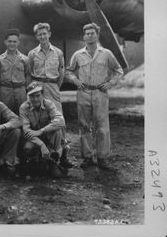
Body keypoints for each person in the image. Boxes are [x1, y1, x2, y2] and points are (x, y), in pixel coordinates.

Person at [65, 23, 123, 170]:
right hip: (83, 92)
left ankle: (103, 158)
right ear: (83, 36)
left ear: (97, 35)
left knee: (102, 126)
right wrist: (75, 80)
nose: (90, 36)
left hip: (100, 92)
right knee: (84, 125)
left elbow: (118, 70)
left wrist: (111, 83)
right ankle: (87, 157)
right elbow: (68, 71)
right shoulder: (78, 54)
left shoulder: (106, 53)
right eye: (87, 33)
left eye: (92, 33)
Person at [27, 22, 73, 167]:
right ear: (36, 36)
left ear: (49, 34)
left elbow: (61, 72)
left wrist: (54, 87)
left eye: (44, 33)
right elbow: (29, 74)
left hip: (52, 86)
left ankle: (63, 152)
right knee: (37, 116)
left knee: (58, 118)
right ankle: (37, 154)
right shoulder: (32, 53)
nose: (42, 36)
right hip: (37, 86)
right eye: (39, 34)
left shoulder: (58, 53)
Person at [19, 82, 68, 177]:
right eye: (32, 96)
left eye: (38, 96)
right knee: (27, 148)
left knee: (57, 130)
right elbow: (26, 131)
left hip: (48, 137)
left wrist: (41, 131)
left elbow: (60, 121)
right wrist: (41, 145)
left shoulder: (49, 104)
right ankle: (35, 160)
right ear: (28, 96)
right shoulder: (24, 108)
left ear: (42, 95)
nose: (35, 99)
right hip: (34, 140)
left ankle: (54, 160)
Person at [0, 28, 29, 114]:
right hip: (5, 91)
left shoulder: (25, 59)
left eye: (14, 41)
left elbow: (28, 75)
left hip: (20, 91)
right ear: (5, 42)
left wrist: (26, 91)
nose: (12, 44)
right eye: (9, 41)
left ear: (18, 42)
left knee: (21, 115)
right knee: (5, 115)